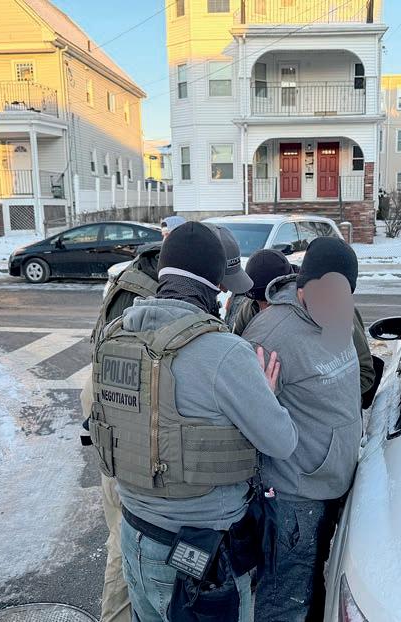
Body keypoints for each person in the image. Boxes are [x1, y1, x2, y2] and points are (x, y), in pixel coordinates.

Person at [89, 222, 298, 622]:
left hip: (134, 536)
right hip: (202, 556)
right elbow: (281, 442)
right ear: (217, 286)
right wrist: (267, 394)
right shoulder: (224, 352)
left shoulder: (115, 337)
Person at [243, 237, 363, 622]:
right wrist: (262, 400)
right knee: (286, 601)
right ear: (303, 286)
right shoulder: (270, 336)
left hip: (330, 485)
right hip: (295, 498)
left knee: (312, 587)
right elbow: (243, 418)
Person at [81, 217, 188, 622]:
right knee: (127, 535)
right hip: (119, 414)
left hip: (110, 407)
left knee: (130, 532)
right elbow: (138, 384)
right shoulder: (145, 296)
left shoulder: (137, 279)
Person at [233, 250, 376, 408]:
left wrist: (311, 396)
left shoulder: (332, 308)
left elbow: (365, 374)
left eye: (269, 302)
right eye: (258, 302)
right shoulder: (249, 309)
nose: (263, 309)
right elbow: (236, 359)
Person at [230, 249, 294, 336]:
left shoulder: (305, 306)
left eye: (271, 297)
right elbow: (237, 339)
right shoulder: (248, 311)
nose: (265, 307)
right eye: (260, 299)